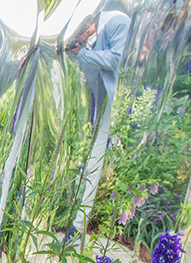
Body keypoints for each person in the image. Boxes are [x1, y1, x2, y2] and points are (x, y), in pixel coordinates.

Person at [64, 9, 132, 246]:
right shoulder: (95, 35)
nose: (78, 39)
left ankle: (79, 226)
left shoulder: (118, 22)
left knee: (97, 160)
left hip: (117, 107)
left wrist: (82, 52)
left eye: (78, 34)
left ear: (88, 24)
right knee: (92, 159)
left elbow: (115, 59)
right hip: (99, 104)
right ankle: (77, 223)